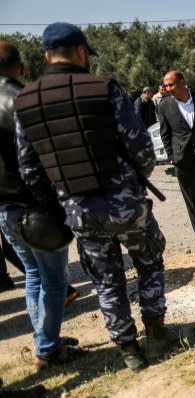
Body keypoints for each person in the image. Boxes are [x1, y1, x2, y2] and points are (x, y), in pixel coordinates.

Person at [14, 22, 179, 372]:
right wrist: (133, 184)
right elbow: (141, 147)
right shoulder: (103, 88)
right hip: (125, 203)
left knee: (106, 279)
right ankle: (157, 332)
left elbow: (29, 169)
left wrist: (57, 204)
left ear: (45, 56)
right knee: (149, 261)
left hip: (78, 209)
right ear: (81, 52)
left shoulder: (26, 101)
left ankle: (129, 349)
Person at [0, 39, 82, 369]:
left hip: (5, 212)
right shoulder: (23, 101)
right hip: (35, 208)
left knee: (34, 275)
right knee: (53, 280)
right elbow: (45, 156)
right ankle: (47, 349)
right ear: (21, 69)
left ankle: (43, 339)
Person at [158, 70, 195, 252]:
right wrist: (173, 157)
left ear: (183, 82)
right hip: (183, 162)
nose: (168, 89)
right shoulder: (164, 106)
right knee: (193, 202)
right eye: (166, 85)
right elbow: (165, 134)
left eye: (171, 84)